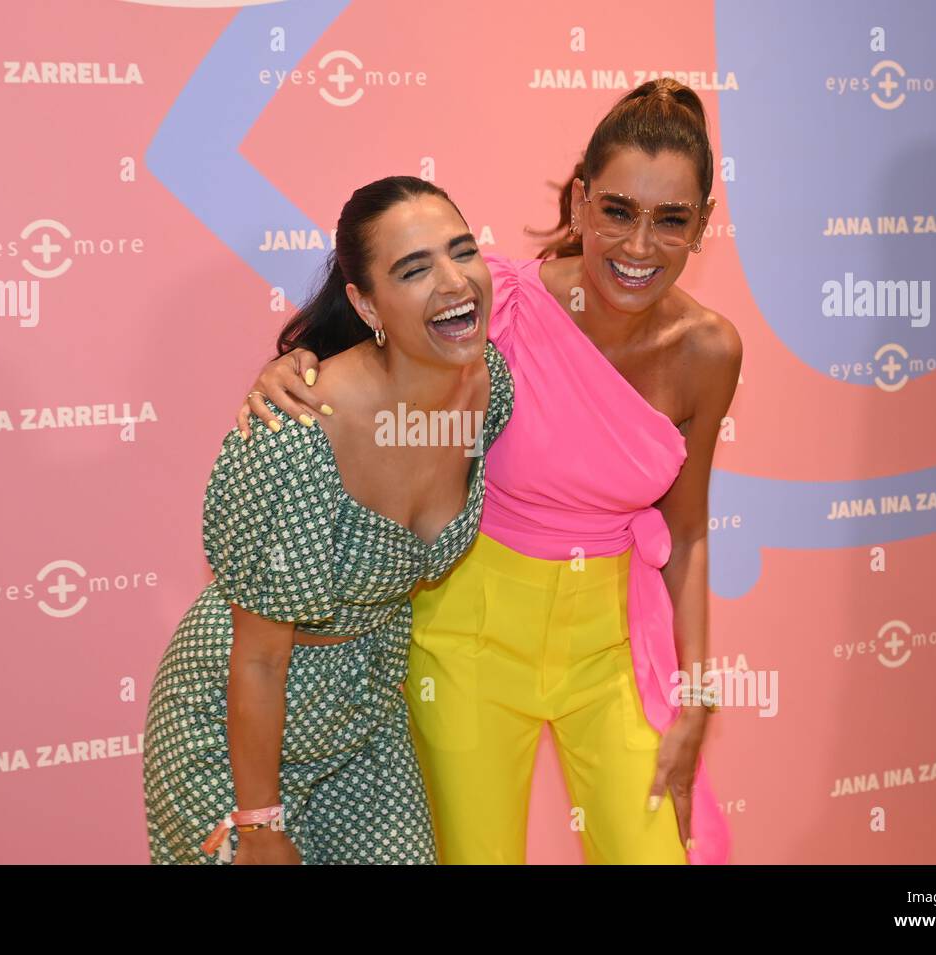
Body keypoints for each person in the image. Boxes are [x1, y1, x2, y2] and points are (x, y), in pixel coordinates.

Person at [237, 78, 741, 865]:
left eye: (670, 220)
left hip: (610, 650)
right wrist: (297, 365)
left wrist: (696, 696)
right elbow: (382, 352)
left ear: (701, 225)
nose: (639, 246)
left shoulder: (710, 350)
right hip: (465, 641)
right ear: (579, 202)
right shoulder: (499, 303)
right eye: (616, 210)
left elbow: (689, 527)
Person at [144, 175, 513, 864]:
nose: (454, 281)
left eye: (462, 251)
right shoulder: (298, 431)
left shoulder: (488, 382)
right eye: (413, 268)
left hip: (364, 717)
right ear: (365, 302)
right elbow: (256, 657)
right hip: (236, 726)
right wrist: (258, 824)